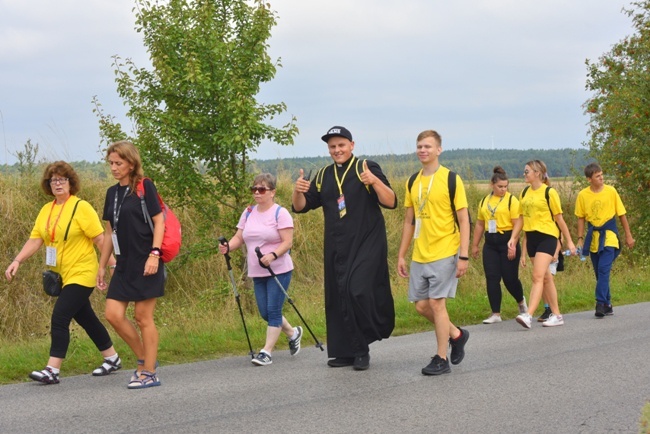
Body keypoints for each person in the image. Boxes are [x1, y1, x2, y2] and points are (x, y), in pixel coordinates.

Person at [4, 161, 120, 384]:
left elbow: (99, 239)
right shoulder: (47, 210)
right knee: (86, 318)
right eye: (53, 180)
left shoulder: (81, 207)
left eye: (62, 179)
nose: (58, 183)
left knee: (60, 317)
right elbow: (36, 239)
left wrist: (111, 265)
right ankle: (112, 358)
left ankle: (52, 369)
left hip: (83, 271)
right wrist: (17, 260)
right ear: (49, 184)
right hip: (62, 275)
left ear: (71, 182)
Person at [292, 126, 396, 371]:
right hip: (338, 245)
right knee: (338, 296)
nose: (337, 150)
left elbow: (391, 201)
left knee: (356, 290)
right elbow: (300, 207)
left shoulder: (366, 167)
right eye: (332, 146)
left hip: (368, 242)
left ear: (352, 144)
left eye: (341, 145)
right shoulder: (324, 175)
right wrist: (298, 191)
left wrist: (374, 182)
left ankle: (362, 348)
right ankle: (346, 352)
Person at [397, 130, 470, 376]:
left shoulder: (451, 179)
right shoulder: (412, 181)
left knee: (437, 304)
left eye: (428, 146)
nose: (422, 150)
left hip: (445, 250)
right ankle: (457, 335)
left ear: (439, 149)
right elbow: (409, 220)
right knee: (421, 306)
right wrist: (401, 254)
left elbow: (464, 219)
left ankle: (441, 358)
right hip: (420, 253)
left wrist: (463, 255)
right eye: (419, 146)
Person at [97, 140, 166, 389]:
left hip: (147, 261)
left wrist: (155, 255)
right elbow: (108, 233)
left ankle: (149, 372)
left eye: (119, 163)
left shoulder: (144, 186)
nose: (114, 168)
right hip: (124, 263)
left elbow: (159, 222)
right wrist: (103, 265)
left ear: (131, 163)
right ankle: (145, 358)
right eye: (111, 163)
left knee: (142, 317)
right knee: (113, 314)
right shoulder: (112, 193)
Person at [219, 173, 303, 366]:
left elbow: (288, 242)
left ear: (272, 192)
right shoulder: (248, 212)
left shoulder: (280, 213)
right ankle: (293, 332)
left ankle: (266, 352)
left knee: (273, 309)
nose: (257, 193)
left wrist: (273, 255)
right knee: (265, 312)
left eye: (262, 189)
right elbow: (239, 237)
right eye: (254, 189)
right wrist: (228, 247)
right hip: (257, 271)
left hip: (278, 269)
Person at [513, 160, 576, 329]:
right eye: (524, 171)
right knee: (547, 278)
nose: (524, 174)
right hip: (532, 237)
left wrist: (569, 241)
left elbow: (559, 219)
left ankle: (529, 314)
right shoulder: (525, 192)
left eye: (527, 171)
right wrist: (513, 238)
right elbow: (521, 218)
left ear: (537, 173)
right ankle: (557, 315)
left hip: (547, 237)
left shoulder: (549, 192)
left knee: (537, 276)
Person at [575, 162, 635, 317]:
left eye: (602, 175)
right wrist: (580, 239)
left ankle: (600, 303)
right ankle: (607, 304)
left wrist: (628, 235)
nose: (602, 178)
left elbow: (621, 214)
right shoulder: (583, 195)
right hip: (593, 236)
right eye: (597, 176)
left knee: (603, 269)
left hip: (609, 236)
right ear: (589, 179)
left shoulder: (611, 191)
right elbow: (581, 218)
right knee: (598, 272)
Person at [471, 166, 527, 324]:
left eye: (505, 186)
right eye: (500, 186)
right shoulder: (484, 201)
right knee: (492, 277)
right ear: (492, 185)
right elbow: (480, 225)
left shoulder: (511, 200)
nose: (503, 189)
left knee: (510, 279)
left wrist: (513, 243)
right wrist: (475, 245)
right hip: (490, 243)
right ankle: (496, 313)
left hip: (508, 240)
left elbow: (518, 223)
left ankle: (521, 302)